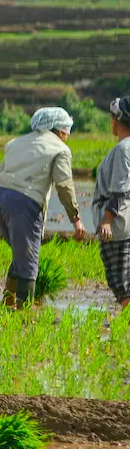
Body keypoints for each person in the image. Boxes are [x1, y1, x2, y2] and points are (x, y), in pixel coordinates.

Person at [0, 107, 86, 307]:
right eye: (67, 132)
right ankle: (24, 313)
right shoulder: (60, 149)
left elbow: (0, 174)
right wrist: (75, 218)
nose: (67, 137)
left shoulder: (15, 143)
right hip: (23, 204)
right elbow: (64, 184)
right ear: (59, 131)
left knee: (21, 254)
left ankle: (7, 303)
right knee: (29, 262)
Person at [94, 97, 130, 309]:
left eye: (112, 116)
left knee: (121, 283)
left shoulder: (123, 150)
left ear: (118, 119)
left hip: (117, 225)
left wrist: (107, 220)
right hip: (124, 222)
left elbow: (120, 188)